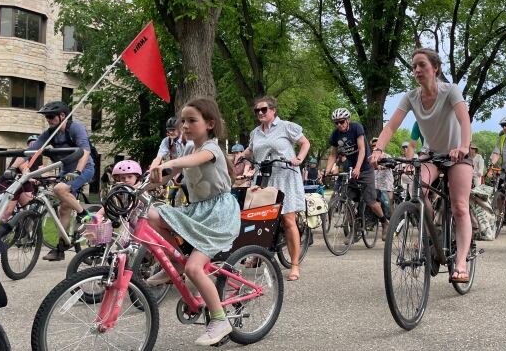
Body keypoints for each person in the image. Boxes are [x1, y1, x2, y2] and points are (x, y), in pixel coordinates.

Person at [370, 48, 473, 283]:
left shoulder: (450, 90)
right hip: (432, 154)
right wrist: (378, 150)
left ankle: (460, 263)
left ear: (435, 68)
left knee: (459, 206)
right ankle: (433, 236)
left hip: (457, 154)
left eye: (421, 65)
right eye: (413, 66)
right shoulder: (411, 96)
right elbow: (391, 127)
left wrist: (464, 146)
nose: (416, 70)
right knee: (417, 190)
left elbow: (463, 118)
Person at [146, 97, 240, 346]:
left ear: (209, 124)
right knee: (153, 214)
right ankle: (176, 262)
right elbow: (167, 178)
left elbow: (188, 163)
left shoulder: (212, 149)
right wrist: (141, 183)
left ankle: (220, 320)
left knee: (194, 268)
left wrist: (168, 162)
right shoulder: (188, 149)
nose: (184, 125)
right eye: (182, 121)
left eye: (191, 121)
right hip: (198, 210)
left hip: (219, 214)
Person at [8, 101, 95, 261]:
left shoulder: (76, 128)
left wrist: (77, 171)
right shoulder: (49, 133)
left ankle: (85, 215)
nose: (48, 119)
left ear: (62, 116)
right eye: (46, 117)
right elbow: (29, 151)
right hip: (66, 171)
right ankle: (61, 247)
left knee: (59, 190)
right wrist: (12, 169)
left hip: (84, 168)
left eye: (51, 116)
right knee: (63, 209)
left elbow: (85, 151)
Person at [244, 96, 310, 282]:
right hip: (264, 177)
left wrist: (299, 159)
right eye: (257, 110)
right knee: (260, 219)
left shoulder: (286, 126)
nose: (260, 113)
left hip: (285, 176)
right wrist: (242, 155)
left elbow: (305, 143)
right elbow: (251, 150)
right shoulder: (255, 132)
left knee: (288, 220)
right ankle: (258, 255)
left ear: (273, 110)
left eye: (264, 109)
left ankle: (295, 264)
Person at [325, 108, 389, 239]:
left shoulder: (356, 128)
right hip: (350, 168)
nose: (339, 125)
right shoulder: (335, 134)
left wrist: (358, 168)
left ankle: (384, 222)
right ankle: (354, 228)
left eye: (341, 122)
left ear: (347, 120)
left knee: (370, 201)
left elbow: (362, 149)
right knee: (346, 200)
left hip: (365, 168)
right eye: (336, 123)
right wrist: (327, 171)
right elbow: (333, 154)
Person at [151, 116, 189, 204]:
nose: (170, 132)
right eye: (169, 130)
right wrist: (152, 169)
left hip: (187, 168)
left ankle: (191, 204)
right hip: (176, 168)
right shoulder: (167, 141)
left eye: (173, 130)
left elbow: (185, 160)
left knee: (185, 185)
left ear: (180, 129)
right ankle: (171, 204)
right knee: (171, 193)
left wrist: (178, 173)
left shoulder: (187, 141)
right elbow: (158, 158)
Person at [371, 137, 394, 238]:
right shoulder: (370, 157)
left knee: (387, 203)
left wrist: (384, 166)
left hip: (386, 185)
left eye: (376, 146)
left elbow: (392, 164)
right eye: (372, 146)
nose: (374, 147)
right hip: (374, 185)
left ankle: (392, 226)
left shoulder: (387, 156)